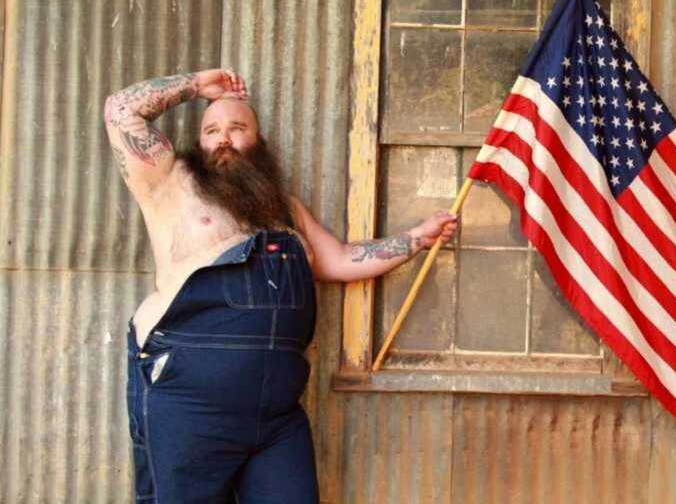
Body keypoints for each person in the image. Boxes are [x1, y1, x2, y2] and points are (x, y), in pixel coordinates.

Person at [104, 68, 459, 503]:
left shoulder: (283, 209)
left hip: (276, 417)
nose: (224, 139)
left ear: (259, 142)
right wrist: (198, 85)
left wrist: (417, 239)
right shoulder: (170, 184)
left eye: (237, 128)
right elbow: (121, 110)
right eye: (212, 130)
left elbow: (341, 260)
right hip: (190, 407)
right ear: (199, 142)